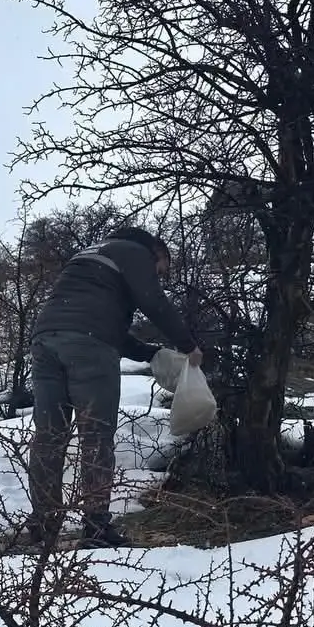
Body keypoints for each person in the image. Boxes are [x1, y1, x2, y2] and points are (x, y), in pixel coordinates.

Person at [24, 225, 202, 549]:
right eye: (161, 270)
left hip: (45, 340)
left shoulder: (91, 255)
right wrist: (188, 346)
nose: (158, 276)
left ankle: (43, 527)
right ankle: (96, 528)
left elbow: (99, 324)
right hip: (89, 348)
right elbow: (153, 302)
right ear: (156, 252)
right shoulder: (135, 252)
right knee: (96, 435)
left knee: (49, 437)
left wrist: (151, 353)